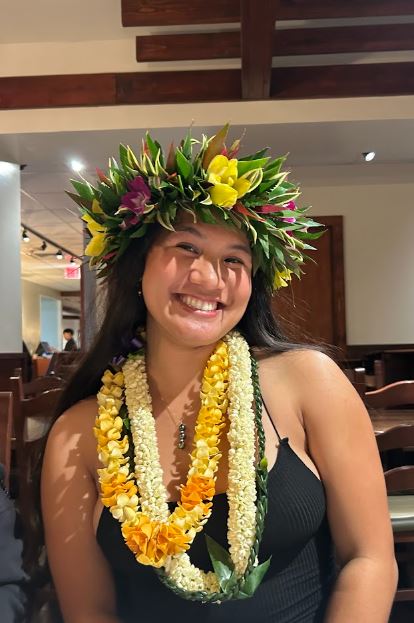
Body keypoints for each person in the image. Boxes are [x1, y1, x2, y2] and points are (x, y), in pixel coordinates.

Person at [41, 125, 397, 623]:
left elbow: (370, 558)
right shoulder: (77, 435)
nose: (208, 278)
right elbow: (90, 610)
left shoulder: (308, 383)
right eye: (186, 248)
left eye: (234, 259)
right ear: (137, 269)